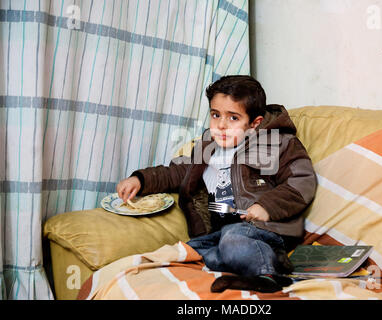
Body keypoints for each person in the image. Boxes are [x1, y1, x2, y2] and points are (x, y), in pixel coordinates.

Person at [116, 75, 317, 292]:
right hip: (220, 233)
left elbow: (301, 181)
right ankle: (250, 267)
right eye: (215, 115)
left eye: (233, 118)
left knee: (233, 240)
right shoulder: (208, 147)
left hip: (265, 229)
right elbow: (179, 171)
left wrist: (267, 206)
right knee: (193, 251)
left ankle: (267, 275)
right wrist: (141, 179)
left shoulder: (278, 143)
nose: (221, 125)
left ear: (254, 123)